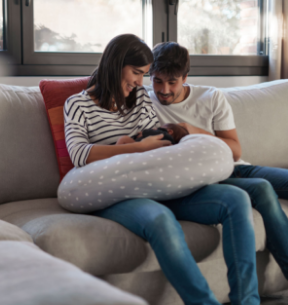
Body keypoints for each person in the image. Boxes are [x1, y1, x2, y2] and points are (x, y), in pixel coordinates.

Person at [64, 33, 260, 305]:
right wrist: (133, 147)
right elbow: (80, 154)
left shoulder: (140, 97)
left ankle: (247, 302)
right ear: (115, 64)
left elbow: (154, 139)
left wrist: (139, 142)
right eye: (136, 73)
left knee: (237, 199)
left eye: (144, 75)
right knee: (159, 219)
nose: (139, 82)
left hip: (157, 182)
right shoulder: (77, 104)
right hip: (115, 191)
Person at [148, 41, 288, 305]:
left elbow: (234, 150)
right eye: (157, 81)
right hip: (205, 176)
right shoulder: (142, 103)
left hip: (235, 166)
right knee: (262, 189)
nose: (164, 90)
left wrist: (190, 130)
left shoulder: (210, 97)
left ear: (185, 77)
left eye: (172, 82)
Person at [115, 123, 189, 145]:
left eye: (160, 127)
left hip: (139, 147)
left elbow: (153, 132)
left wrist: (144, 132)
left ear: (169, 131)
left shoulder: (164, 135)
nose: (155, 128)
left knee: (123, 139)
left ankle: (112, 158)